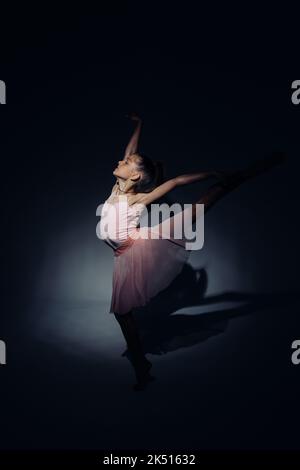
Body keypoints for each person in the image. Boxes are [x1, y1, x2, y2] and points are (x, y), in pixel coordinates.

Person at [98, 113, 285, 391]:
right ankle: (142, 367)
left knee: (196, 211)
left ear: (135, 175)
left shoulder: (138, 197)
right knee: (122, 315)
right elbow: (131, 152)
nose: (120, 161)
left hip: (140, 247)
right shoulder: (118, 186)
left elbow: (175, 183)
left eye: (125, 163)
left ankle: (232, 181)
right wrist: (140, 124)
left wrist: (210, 173)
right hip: (124, 257)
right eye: (124, 160)